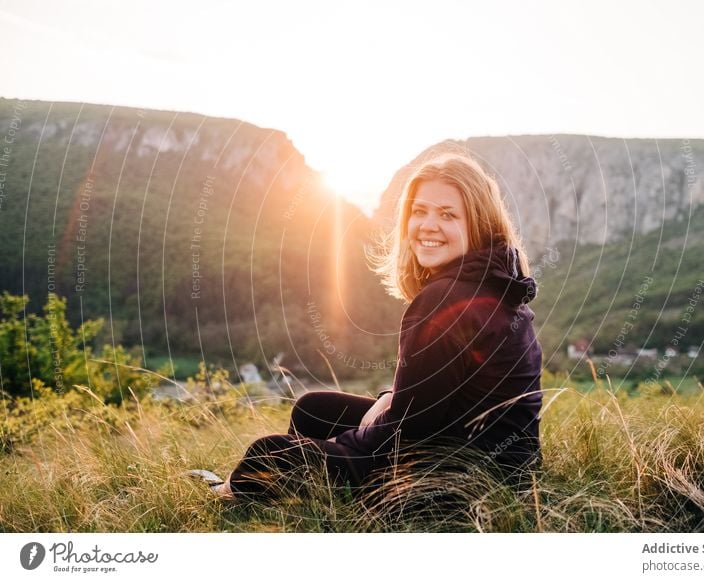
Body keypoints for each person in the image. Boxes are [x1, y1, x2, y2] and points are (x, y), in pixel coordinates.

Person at [199, 152, 543, 501]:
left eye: (448, 215)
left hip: (454, 479)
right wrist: (389, 400)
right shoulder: (500, 280)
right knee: (313, 409)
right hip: (505, 467)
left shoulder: (445, 299)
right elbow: (434, 396)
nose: (427, 226)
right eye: (419, 211)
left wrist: (335, 446)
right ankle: (307, 494)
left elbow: (409, 431)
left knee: (270, 454)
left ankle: (227, 492)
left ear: (478, 223)